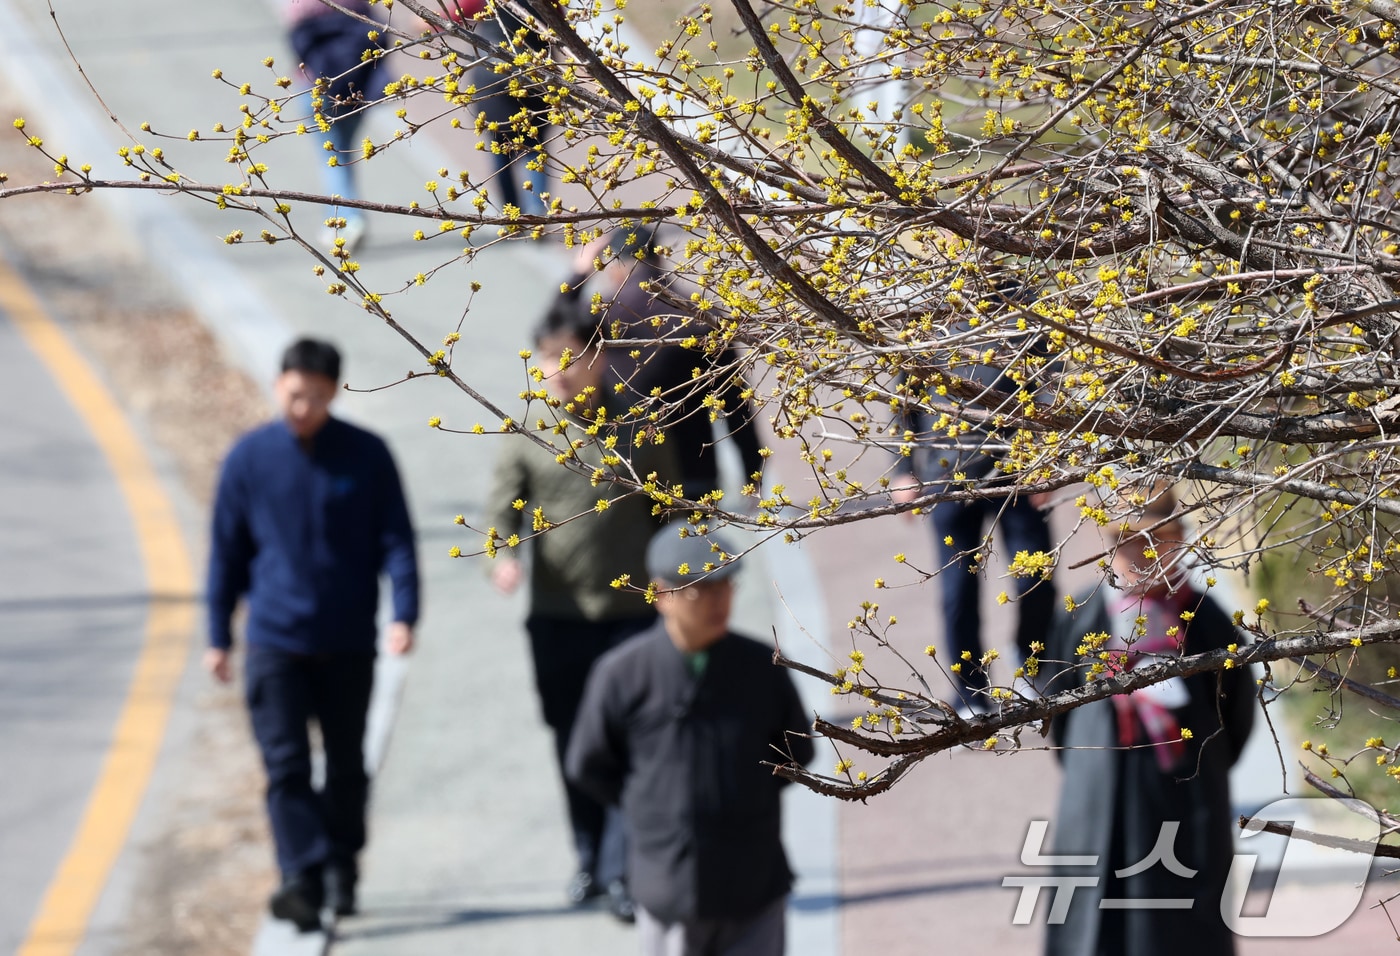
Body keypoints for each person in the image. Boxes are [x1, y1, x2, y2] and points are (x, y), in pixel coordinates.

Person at [205, 338, 418, 931]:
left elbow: (396, 540)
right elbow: (226, 553)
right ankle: (300, 875)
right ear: (279, 386)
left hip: (347, 640)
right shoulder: (248, 459)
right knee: (286, 766)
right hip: (275, 641)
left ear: (335, 394)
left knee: (347, 764)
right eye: (297, 395)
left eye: (318, 398)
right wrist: (217, 634)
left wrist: (404, 614)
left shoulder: (367, 455)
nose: (305, 408)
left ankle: (341, 866)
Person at [487, 291, 676, 921]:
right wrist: (504, 556)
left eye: (567, 359)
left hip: (631, 616)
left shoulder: (640, 425)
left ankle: (626, 869)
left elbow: (670, 510)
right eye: (545, 360)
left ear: (598, 358)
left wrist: (680, 578)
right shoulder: (528, 429)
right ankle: (590, 855)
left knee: (631, 743)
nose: (556, 373)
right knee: (574, 743)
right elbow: (503, 506)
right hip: (557, 617)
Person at [566, 523, 815, 956]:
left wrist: (742, 798)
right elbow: (588, 763)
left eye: (726, 585)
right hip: (669, 884)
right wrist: (650, 801)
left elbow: (797, 752)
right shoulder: (623, 674)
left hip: (752, 877)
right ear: (662, 595)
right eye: (701, 589)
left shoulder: (762, 667)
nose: (719, 600)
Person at [1042, 484, 1255, 956]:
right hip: (1095, 789)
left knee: (1183, 921)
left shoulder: (1208, 621)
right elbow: (1054, 704)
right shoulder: (1081, 614)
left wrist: (1207, 763)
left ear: (1179, 540)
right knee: (1089, 920)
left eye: (1155, 539)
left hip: (1185, 795)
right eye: (1126, 541)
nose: (1140, 554)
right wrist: (1086, 764)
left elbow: (1236, 714)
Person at [891, 278, 1054, 713]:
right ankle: (970, 690)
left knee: (1034, 578)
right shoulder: (925, 308)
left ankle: (1033, 666)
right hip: (946, 476)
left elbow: (1050, 386)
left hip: (1017, 473)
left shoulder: (1021, 303)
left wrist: (1048, 465)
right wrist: (903, 470)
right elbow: (903, 397)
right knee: (957, 592)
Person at [574, 226, 765, 500]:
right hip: (694, 474)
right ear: (659, 259)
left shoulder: (601, 317)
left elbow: (551, 332)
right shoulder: (702, 317)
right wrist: (752, 474)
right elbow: (736, 405)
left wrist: (579, 273)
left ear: (614, 266)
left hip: (625, 472)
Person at [283, 0, 384, 250]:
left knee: (330, 158)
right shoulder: (359, 3)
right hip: (356, 89)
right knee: (344, 155)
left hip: (315, 90)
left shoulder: (302, 5)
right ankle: (343, 218)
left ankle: (349, 220)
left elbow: (297, 39)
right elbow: (380, 37)